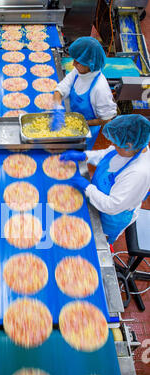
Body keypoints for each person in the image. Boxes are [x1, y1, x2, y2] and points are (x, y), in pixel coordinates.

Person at [60, 114, 150, 244]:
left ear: (129, 146)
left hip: (111, 217)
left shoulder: (139, 173)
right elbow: (107, 154)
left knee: (91, 241)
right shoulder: (129, 147)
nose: (114, 145)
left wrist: (86, 186)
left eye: (117, 144)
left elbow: (112, 206)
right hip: (97, 198)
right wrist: (84, 156)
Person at [51, 37, 117, 149]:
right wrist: (57, 107)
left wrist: (81, 122)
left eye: (78, 62)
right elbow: (62, 87)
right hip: (71, 121)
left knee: (78, 155)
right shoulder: (78, 72)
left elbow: (106, 119)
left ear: (90, 64)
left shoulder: (99, 88)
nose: (73, 64)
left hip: (86, 131)